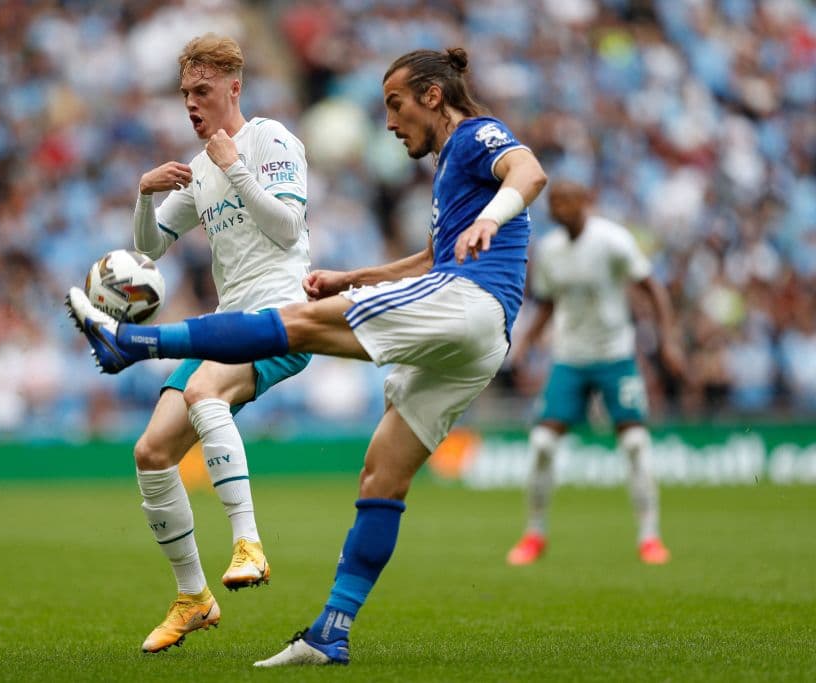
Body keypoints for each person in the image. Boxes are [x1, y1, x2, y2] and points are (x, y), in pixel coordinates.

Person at [67, 47, 547, 666]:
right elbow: (431, 258)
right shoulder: (449, 162)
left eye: (395, 106)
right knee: (382, 473)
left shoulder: (477, 133)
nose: (391, 123)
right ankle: (331, 632)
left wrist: (493, 219)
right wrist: (355, 277)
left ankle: (133, 342)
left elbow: (529, 173)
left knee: (292, 326)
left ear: (433, 95)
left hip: (470, 300)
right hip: (475, 329)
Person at [123, 34, 312, 654]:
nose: (191, 103)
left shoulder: (270, 140)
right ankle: (193, 598)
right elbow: (147, 251)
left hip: (282, 316)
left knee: (204, 386)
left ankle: (249, 542)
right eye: (184, 93)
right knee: (151, 451)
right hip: (232, 322)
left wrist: (233, 163)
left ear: (234, 86)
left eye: (201, 90)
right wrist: (145, 196)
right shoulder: (198, 169)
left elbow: (288, 230)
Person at [505, 180, 685, 567]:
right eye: (555, 202)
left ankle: (649, 537)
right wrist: (526, 343)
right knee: (541, 445)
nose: (562, 207)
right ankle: (534, 533)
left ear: (587, 202)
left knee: (636, 444)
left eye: (569, 200)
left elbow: (652, 288)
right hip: (569, 357)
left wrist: (667, 340)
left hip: (615, 355)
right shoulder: (550, 251)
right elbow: (550, 303)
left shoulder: (612, 241)